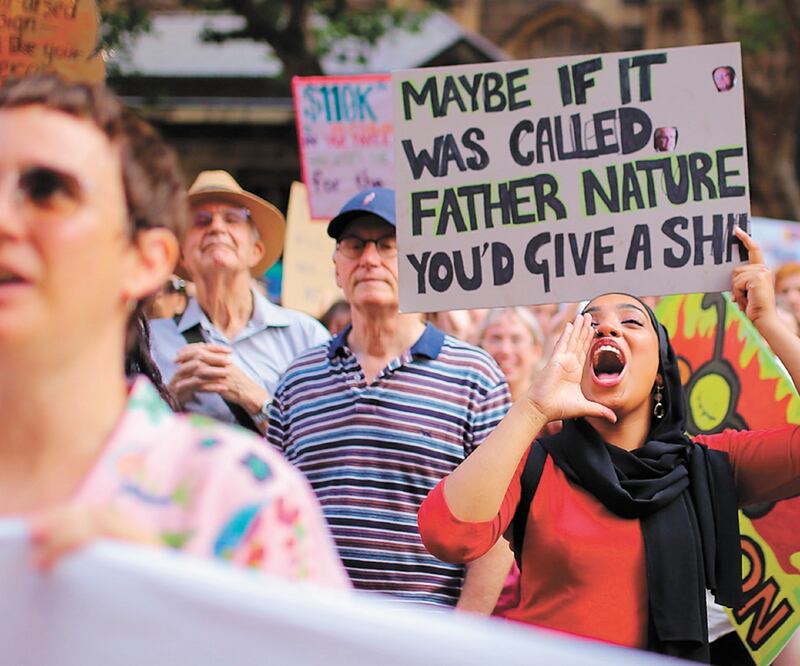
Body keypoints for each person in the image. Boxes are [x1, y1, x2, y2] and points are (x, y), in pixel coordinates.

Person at [0, 75, 347, 588]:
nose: (4, 216)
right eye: (200, 220)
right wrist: (173, 397)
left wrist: (174, 613)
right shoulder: (156, 338)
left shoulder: (243, 499)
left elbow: (330, 452)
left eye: (49, 191)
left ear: (146, 260)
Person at [418, 227, 800, 661]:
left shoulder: (710, 464)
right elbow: (445, 535)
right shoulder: (536, 463)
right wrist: (533, 408)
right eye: (590, 325)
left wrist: (767, 322)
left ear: (660, 370)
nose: (608, 330)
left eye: (631, 321)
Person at [267, 187, 514, 610]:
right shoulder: (297, 378)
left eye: (387, 245)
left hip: (425, 639)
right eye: (354, 245)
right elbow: (274, 510)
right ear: (337, 268)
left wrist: (463, 636)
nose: (369, 259)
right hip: (315, 629)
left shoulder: (476, 376)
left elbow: (499, 527)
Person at [149, 170, 329, 433]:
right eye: (200, 221)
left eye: (232, 219)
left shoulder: (305, 336)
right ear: (183, 256)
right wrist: (170, 399)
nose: (216, 228)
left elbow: (327, 443)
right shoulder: (151, 340)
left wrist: (254, 398)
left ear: (256, 251)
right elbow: (124, 447)